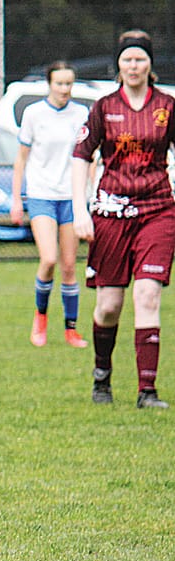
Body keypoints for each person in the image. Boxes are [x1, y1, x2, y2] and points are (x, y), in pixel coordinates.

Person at [72, 30, 175, 409]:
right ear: (118, 65)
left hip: (158, 210)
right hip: (111, 214)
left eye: (140, 59)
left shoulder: (167, 105)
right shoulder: (103, 107)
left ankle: (147, 391)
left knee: (148, 294)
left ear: (150, 65)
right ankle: (102, 376)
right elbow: (81, 156)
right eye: (128, 59)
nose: (134, 66)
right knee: (109, 306)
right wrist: (80, 210)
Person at [10, 61, 91, 349]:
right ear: (49, 84)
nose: (64, 89)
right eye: (59, 83)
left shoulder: (82, 114)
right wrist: (16, 198)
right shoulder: (34, 114)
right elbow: (21, 159)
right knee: (49, 260)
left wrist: (89, 195)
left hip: (71, 197)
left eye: (69, 84)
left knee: (69, 266)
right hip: (42, 194)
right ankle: (40, 317)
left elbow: (89, 158)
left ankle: (71, 329)